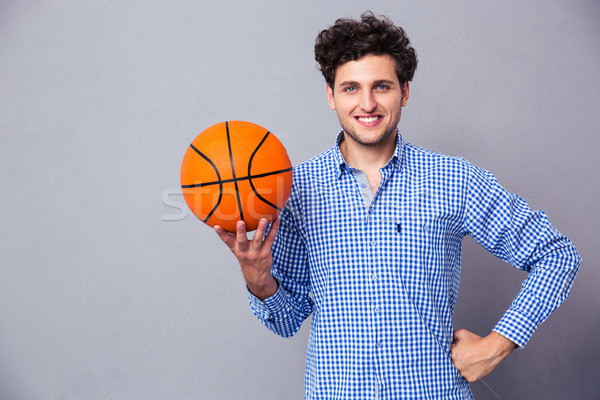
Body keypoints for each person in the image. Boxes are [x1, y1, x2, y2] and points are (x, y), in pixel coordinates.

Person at [214, 11, 582, 399]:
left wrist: (498, 343)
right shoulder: (294, 190)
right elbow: (286, 322)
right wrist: (258, 279)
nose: (367, 103)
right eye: (351, 88)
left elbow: (557, 254)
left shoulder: (453, 179)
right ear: (331, 95)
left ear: (404, 92)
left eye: (382, 87)